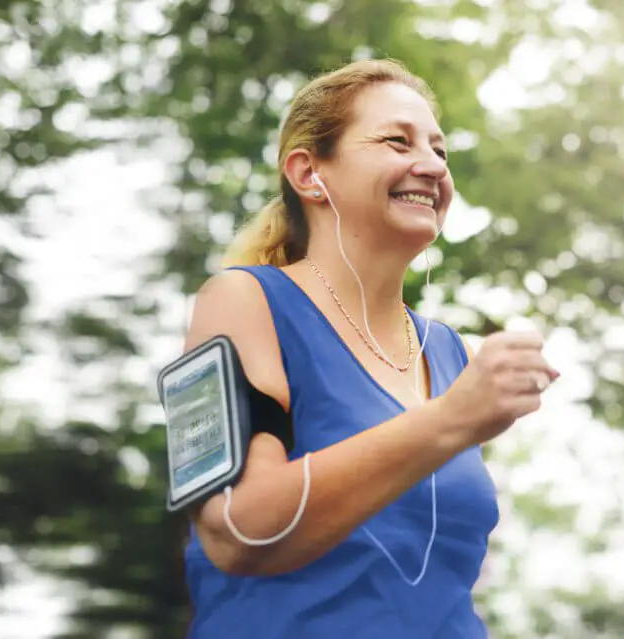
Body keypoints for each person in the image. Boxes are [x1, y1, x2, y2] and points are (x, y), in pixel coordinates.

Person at [178, 58, 559, 638]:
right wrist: (451, 420)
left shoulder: (452, 353)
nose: (431, 165)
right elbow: (237, 532)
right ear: (310, 175)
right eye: (396, 141)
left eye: (440, 150)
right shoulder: (238, 302)